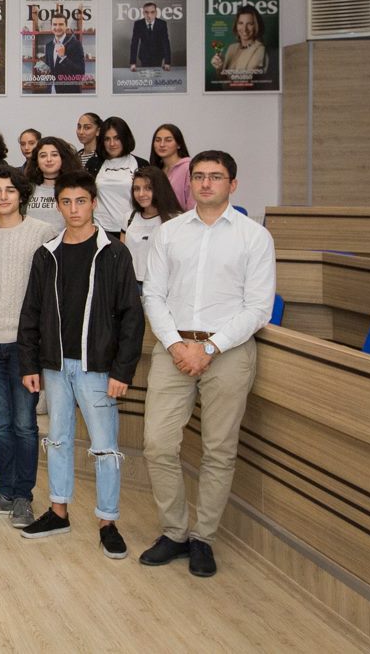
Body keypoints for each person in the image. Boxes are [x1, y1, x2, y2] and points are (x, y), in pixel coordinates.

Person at [140, 150, 276, 577]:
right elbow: (153, 295)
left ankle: (203, 538)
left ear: (232, 184)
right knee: (157, 444)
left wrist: (210, 347)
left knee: (219, 449)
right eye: (198, 176)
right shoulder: (170, 232)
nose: (205, 183)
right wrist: (176, 344)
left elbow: (258, 307)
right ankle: (175, 531)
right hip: (173, 348)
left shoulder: (254, 237)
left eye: (215, 177)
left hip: (229, 351)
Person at [17, 172, 144, 559]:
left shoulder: (114, 252)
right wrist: (29, 363)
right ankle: (58, 512)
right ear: (58, 205)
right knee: (57, 440)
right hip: (55, 365)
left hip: (97, 368)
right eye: (67, 202)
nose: (74, 209)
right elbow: (31, 311)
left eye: (81, 201)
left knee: (105, 447)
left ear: (94, 203)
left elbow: (131, 316)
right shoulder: (47, 253)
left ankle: (108, 521)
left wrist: (122, 371)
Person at [0, 168, 57, 528]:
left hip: (25, 347)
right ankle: (2, 492)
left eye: (9, 190)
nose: (3, 196)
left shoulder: (42, 233)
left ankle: (23, 497)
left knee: (24, 425)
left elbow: (50, 297)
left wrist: (41, 346)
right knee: (1, 425)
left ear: (21, 195)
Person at [86, 117, 149, 235]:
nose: (112, 144)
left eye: (117, 138)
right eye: (107, 139)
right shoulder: (93, 164)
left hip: (133, 230)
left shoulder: (141, 164)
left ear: (125, 138)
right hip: (101, 231)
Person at [124, 165, 183, 287]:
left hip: (161, 285)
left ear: (160, 189)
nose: (141, 194)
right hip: (131, 283)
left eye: (148, 188)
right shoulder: (129, 217)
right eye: (136, 189)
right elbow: (122, 254)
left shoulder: (176, 219)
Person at [24, 137, 81, 232]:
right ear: (37, 161)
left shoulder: (76, 187)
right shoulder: (27, 188)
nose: (49, 159)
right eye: (43, 156)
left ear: (63, 158)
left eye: (54, 155)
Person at [211, 5, 268, 75]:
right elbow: (223, 78)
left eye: (250, 24)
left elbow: (246, 79)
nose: (244, 29)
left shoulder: (260, 50)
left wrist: (224, 71)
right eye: (241, 23)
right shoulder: (232, 48)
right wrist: (219, 68)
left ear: (256, 26)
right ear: (236, 25)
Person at [150, 124, 194, 211]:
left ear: (179, 144)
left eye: (168, 140)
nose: (162, 144)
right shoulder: (155, 170)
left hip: (182, 218)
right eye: (158, 140)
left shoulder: (188, 168)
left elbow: (192, 202)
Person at [43, 14, 86, 94]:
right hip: (51, 92)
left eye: (61, 24)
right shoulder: (48, 46)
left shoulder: (76, 44)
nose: (57, 27)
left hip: (69, 93)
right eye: (54, 24)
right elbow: (49, 69)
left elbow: (80, 72)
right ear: (51, 27)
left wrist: (63, 57)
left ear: (66, 26)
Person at [130, 2, 172, 71]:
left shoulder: (162, 24)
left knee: (157, 74)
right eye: (146, 12)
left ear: (156, 13)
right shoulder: (138, 24)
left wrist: (167, 62)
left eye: (152, 12)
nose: (149, 15)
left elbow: (165, 43)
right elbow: (134, 43)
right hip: (144, 56)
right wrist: (133, 63)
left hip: (158, 56)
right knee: (146, 74)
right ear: (143, 13)